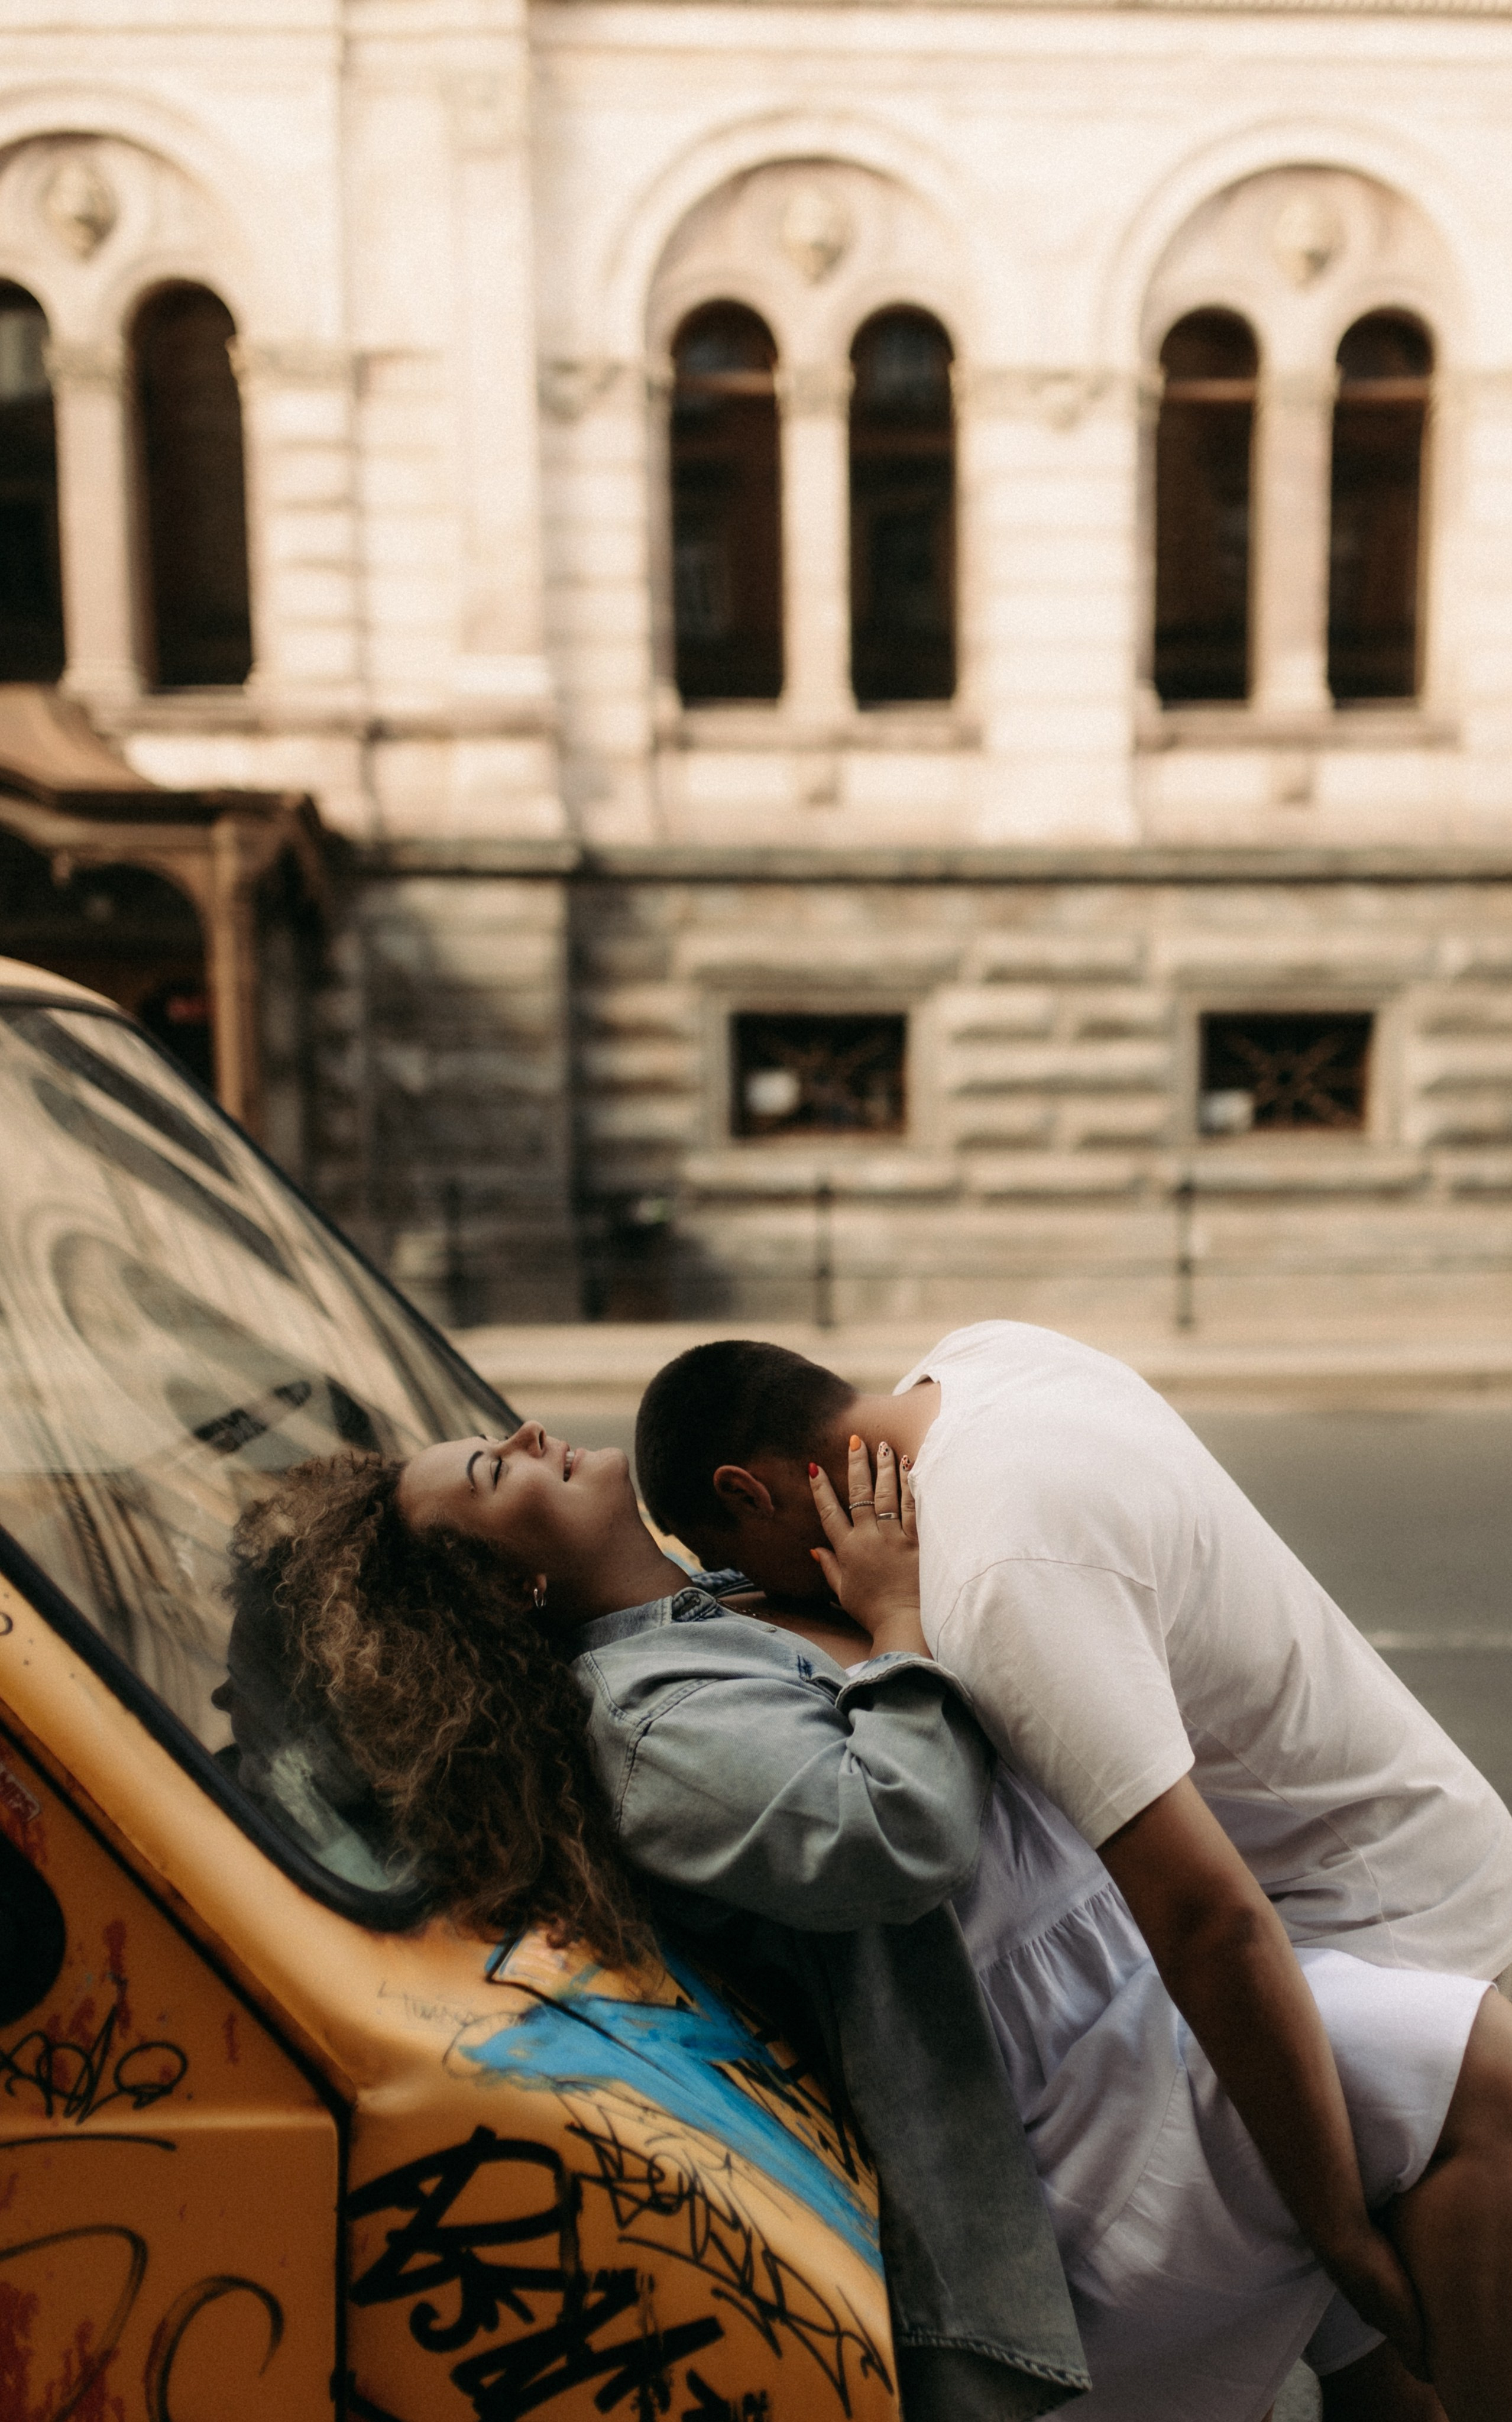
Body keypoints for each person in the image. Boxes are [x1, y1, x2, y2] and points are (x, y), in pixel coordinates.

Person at [228, 1423, 1512, 2422]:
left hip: (1125, 2007)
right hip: (1071, 2095)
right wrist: (896, 1616)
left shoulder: (714, 1603)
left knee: (1390, 2354)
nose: (523, 1439)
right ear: (508, 1586)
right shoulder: (642, 1724)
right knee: (1478, 2077)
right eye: (492, 1474)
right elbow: (894, 1835)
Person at [633, 1327, 1512, 2402]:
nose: (738, 1592)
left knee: (1427, 2336)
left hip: (1364, 1927)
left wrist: (1337, 2232)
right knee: (1380, 2379)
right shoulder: (995, 1357)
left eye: (719, 1557)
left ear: (748, 1492)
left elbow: (1210, 1924)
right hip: (1419, 1849)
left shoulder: (992, 1575)